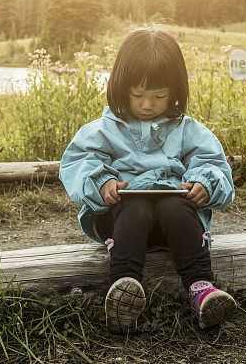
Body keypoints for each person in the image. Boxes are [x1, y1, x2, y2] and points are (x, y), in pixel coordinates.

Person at [59, 26, 236, 333]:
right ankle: (123, 287)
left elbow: (215, 167)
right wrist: (101, 182)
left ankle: (202, 289)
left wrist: (205, 184)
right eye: (138, 94)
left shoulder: (189, 130)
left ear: (176, 91)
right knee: (138, 204)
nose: (147, 104)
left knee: (173, 205)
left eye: (159, 95)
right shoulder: (102, 130)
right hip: (121, 220)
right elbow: (78, 163)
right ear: (120, 86)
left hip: (173, 227)